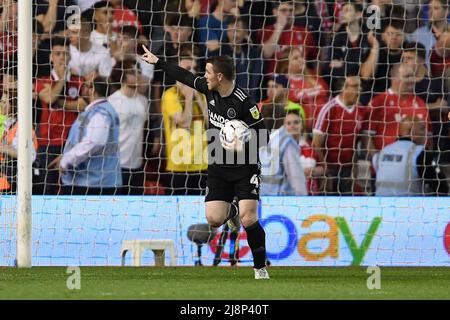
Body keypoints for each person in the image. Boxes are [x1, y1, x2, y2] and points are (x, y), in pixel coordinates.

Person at [141, 47, 270, 279]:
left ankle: (259, 267)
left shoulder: (245, 102)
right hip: (218, 165)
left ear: (220, 77)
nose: (205, 75)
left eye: (209, 72)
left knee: (249, 217)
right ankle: (231, 210)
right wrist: (158, 61)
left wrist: (242, 140)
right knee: (214, 219)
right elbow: (185, 77)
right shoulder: (209, 90)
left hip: (245, 167)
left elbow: (264, 136)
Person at [50, 76, 122, 195]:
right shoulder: (99, 110)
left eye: (85, 86)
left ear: (92, 90)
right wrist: (65, 155)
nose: (82, 88)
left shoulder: (101, 113)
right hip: (96, 181)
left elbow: (94, 141)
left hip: (92, 183)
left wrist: (66, 160)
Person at [34, 37, 85, 195]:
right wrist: (63, 79)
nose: (62, 57)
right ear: (51, 57)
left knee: (71, 187)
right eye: (57, 54)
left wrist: (58, 102)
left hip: (72, 142)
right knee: (47, 186)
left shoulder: (80, 81)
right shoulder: (42, 80)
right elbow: (49, 99)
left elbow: (83, 105)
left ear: (70, 57)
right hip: (48, 142)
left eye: (65, 54)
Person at [161, 55, 208, 195]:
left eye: (194, 68)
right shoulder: (170, 95)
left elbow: (212, 122)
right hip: (179, 165)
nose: (192, 72)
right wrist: (188, 97)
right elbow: (184, 122)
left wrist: (198, 97)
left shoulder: (202, 94)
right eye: (188, 68)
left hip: (203, 164)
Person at [312, 74, 366, 195]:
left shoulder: (360, 110)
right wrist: (325, 172)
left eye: (360, 86)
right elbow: (316, 144)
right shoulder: (329, 109)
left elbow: (355, 142)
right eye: (355, 86)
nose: (359, 90)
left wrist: (354, 168)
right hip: (329, 169)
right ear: (343, 88)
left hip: (347, 170)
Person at [363, 64, 431, 158]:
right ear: (394, 78)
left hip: (414, 165)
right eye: (407, 76)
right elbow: (367, 136)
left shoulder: (420, 103)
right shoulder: (379, 102)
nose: (411, 80)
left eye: (412, 76)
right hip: (387, 163)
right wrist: (377, 161)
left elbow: (429, 136)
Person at [373, 115, 448, 196]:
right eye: (422, 129)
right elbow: (441, 187)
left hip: (380, 205)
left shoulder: (380, 153)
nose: (426, 134)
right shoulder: (420, 153)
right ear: (410, 131)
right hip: (409, 205)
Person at [107, 60, 148, 195]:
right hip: (116, 165)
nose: (137, 75)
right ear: (122, 76)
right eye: (132, 72)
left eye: (138, 71)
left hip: (137, 165)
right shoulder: (112, 101)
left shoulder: (143, 100)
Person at [0, 62, 38, 193]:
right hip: (7, 181)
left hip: (17, 182)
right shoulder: (8, 126)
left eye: (5, 102)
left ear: (13, 104)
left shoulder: (22, 127)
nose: (2, 105)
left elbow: (30, 155)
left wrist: (4, 149)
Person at [258, 0, 318, 76]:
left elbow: (315, 58)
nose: (288, 13)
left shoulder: (305, 32)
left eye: (291, 10)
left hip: (299, 80)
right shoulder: (266, 31)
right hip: (274, 80)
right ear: (275, 12)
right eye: (283, 10)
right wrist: (280, 27)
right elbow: (266, 55)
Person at [260, 109, 308, 196]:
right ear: (283, 123)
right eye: (288, 123)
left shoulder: (272, 138)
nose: (292, 126)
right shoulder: (287, 141)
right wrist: (304, 204)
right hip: (276, 198)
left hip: (261, 197)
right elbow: (297, 179)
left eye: (296, 122)